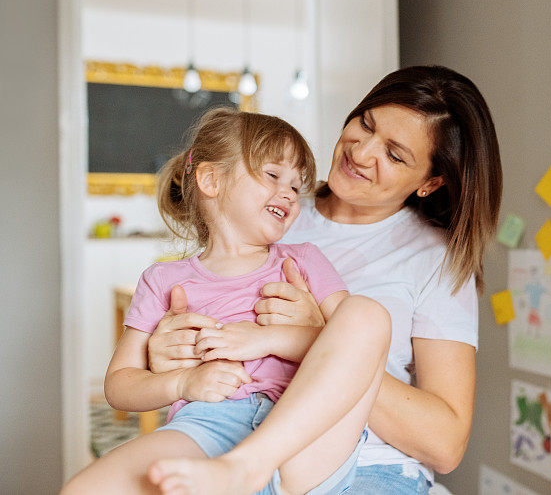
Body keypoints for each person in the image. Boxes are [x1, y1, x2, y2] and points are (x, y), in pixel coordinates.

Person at [146, 65, 503, 494]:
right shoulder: (273, 209)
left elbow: (445, 444)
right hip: (227, 437)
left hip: (368, 467)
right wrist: (167, 351)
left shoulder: (434, 259)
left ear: (430, 182)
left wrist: (320, 337)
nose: (362, 151)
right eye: (366, 124)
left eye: (394, 154)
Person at [62, 109, 391, 495]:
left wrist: (264, 340)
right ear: (210, 179)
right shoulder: (163, 280)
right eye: (272, 175)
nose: (288, 193)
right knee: (86, 489)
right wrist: (183, 381)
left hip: (306, 436)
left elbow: (359, 351)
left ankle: (250, 466)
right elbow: (120, 385)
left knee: (367, 314)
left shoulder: (303, 260)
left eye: (296, 186)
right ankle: (235, 473)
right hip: (205, 427)